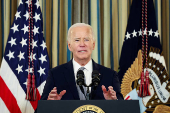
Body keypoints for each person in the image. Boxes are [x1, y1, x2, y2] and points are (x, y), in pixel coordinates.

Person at [41, 23, 123, 100]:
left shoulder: (110, 75)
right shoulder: (55, 75)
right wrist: (51, 104)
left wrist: (113, 102)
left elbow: (123, 108)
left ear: (93, 45)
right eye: (77, 40)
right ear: (69, 46)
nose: (82, 44)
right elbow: (40, 110)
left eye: (86, 39)